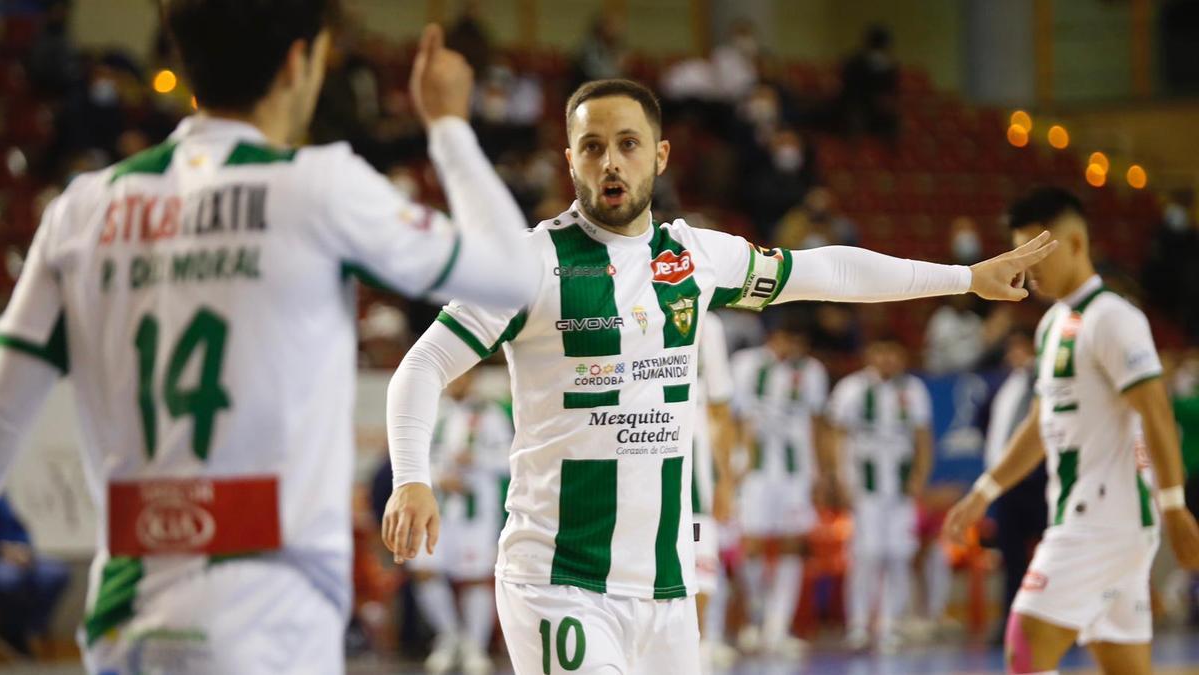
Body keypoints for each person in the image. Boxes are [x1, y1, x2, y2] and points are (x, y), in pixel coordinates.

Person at [382, 78, 1057, 674]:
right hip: (560, 581)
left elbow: (828, 271)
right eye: (592, 147)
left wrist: (965, 276)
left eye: (628, 143)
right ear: (570, 160)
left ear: (661, 155)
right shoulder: (528, 265)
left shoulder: (696, 256)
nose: (610, 162)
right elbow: (422, 364)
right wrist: (412, 475)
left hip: (668, 592)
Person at [0, 2, 538, 671]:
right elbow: (517, 274)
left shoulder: (81, 210)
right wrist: (449, 125)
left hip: (125, 623)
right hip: (272, 620)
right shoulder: (318, 188)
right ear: (298, 62)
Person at [945, 187, 1199, 675]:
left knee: (1025, 642)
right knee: (1123, 664)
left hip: (1104, 517)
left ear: (1077, 244)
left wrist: (1174, 504)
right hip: (1095, 515)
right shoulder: (1052, 325)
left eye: (1039, 251)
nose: (1027, 265)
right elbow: (1041, 423)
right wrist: (985, 490)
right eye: (1021, 251)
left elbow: (1156, 411)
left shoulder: (1114, 318)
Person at [729, 309, 828, 657]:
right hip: (754, 468)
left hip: (795, 470)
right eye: (788, 339)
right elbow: (732, 417)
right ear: (773, 337)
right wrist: (733, 465)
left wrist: (821, 473)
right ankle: (753, 622)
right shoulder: (745, 365)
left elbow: (816, 423)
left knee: (791, 543)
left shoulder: (812, 371)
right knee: (752, 543)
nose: (793, 348)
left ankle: (777, 627)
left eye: (800, 342)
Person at [828, 336, 934, 653]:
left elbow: (923, 437)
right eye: (882, 351)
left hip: (899, 484)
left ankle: (891, 625)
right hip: (865, 483)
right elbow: (837, 434)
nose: (888, 358)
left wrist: (919, 476)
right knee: (865, 554)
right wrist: (841, 478)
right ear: (871, 354)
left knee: (898, 554)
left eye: (894, 352)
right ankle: (858, 625)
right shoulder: (852, 389)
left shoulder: (913, 389)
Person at [407, 369, 513, 675]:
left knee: (476, 577)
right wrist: (438, 476)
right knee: (426, 570)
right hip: (437, 505)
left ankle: (474, 647)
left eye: (463, 376)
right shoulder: (432, 411)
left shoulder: (491, 414)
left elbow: (511, 459)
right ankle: (449, 636)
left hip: (476, 510)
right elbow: (413, 455)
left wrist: (476, 459)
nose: (457, 381)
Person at [983, 329, 1047, 640]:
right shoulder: (1004, 384)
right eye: (1011, 350)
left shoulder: (1044, 381)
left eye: (1021, 348)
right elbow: (986, 421)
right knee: (1010, 556)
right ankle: (1011, 622)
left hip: (1040, 480)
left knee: (1050, 555)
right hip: (1007, 484)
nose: (1015, 355)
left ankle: (1054, 622)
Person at [690, 312, 739, 669]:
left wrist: (725, 479)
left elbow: (720, 410)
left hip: (694, 461)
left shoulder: (709, 323)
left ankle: (699, 647)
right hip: (632, 456)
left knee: (699, 562)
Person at [0, 495, 70, 658]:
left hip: (19, 556)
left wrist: (24, 550)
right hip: (4, 559)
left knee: (56, 573)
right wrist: (4, 551)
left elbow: (18, 530)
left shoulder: (1, 495)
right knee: (11, 580)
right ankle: (9, 630)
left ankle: (28, 631)